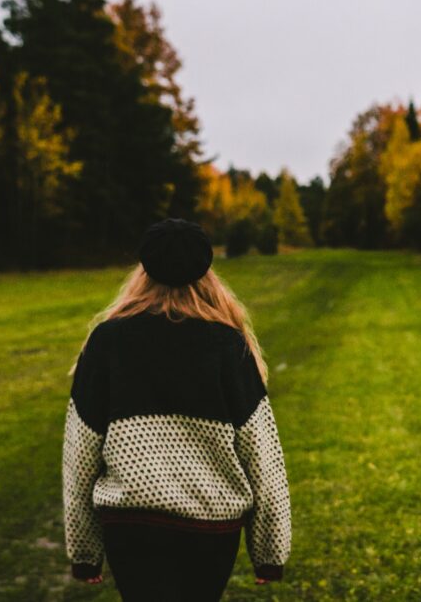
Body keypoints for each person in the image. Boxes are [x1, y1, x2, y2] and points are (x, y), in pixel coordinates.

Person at [62, 217, 292, 601]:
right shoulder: (227, 345)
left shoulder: (108, 342)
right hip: (210, 532)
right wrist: (269, 553)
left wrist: (85, 552)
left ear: (143, 271)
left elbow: (80, 452)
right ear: (206, 275)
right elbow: (261, 452)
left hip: (131, 528)